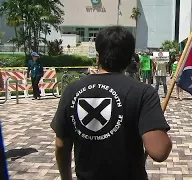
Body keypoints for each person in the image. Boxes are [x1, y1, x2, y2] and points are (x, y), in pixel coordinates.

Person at [50, 26, 172, 180]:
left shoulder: (72, 90)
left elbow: (61, 146)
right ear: (129, 59)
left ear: (98, 56)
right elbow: (159, 151)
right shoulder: (143, 92)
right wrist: (164, 137)